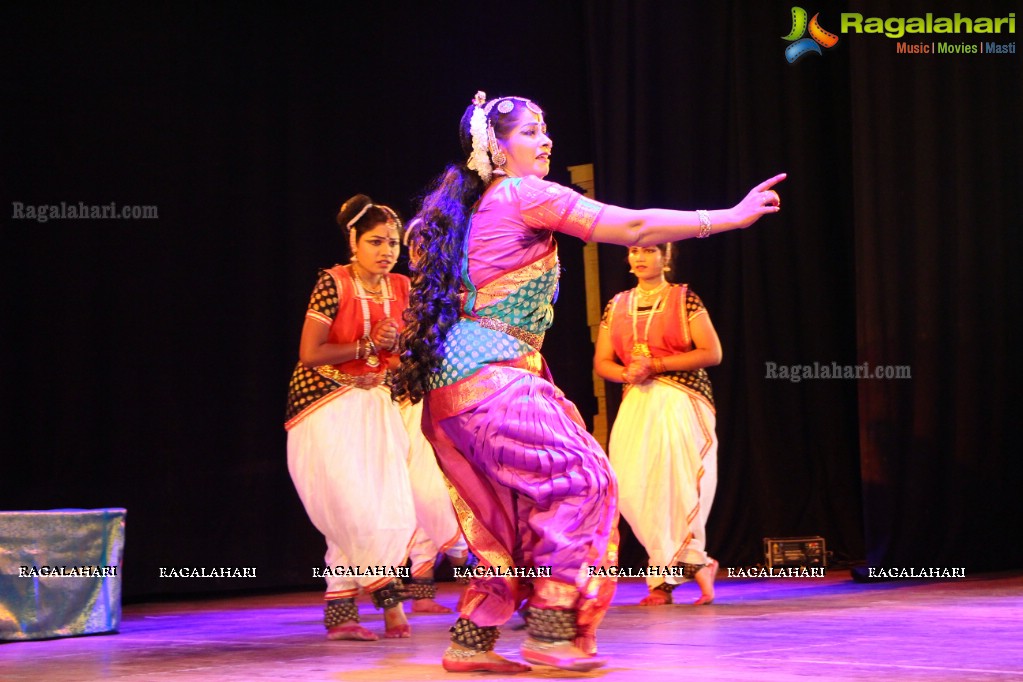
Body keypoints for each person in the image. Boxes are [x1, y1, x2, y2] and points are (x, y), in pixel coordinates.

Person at [392, 90, 783, 673]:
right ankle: (553, 634)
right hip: (494, 378)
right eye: (528, 132)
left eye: (544, 128)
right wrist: (726, 216)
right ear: (495, 150)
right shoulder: (524, 194)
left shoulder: (461, 213)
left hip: (450, 395)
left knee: (510, 518)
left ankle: (471, 643)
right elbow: (634, 226)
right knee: (584, 482)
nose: (544, 139)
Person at [284, 194, 416, 640]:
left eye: (393, 244)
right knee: (352, 506)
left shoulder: (402, 288)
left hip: (376, 404)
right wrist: (369, 347)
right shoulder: (333, 282)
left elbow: (402, 357)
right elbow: (309, 352)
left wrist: (397, 350)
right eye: (375, 241)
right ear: (353, 243)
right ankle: (390, 601)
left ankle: (341, 613)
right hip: (325, 405)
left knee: (385, 505)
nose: (386, 251)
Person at [594, 243, 721, 607]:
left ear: (666, 258)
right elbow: (602, 360)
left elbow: (711, 352)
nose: (640, 257)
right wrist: (626, 372)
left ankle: (668, 579)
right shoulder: (617, 304)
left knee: (679, 485)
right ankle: (695, 565)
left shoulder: (684, 299)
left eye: (649, 250)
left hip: (682, 398)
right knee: (635, 487)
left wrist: (657, 366)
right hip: (637, 400)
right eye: (634, 250)